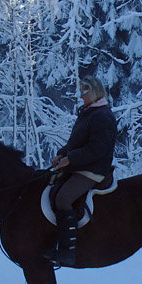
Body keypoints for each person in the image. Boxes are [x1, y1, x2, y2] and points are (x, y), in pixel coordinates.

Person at [45, 75, 117, 266]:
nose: (81, 95)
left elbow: (97, 149)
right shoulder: (88, 113)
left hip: (93, 169)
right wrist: (61, 154)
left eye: (84, 91)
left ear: (94, 92)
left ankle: (68, 251)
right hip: (80, 165)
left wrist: (71, 159)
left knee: (63, 198)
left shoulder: (103, 116)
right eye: (81, 91)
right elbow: (75, 143)